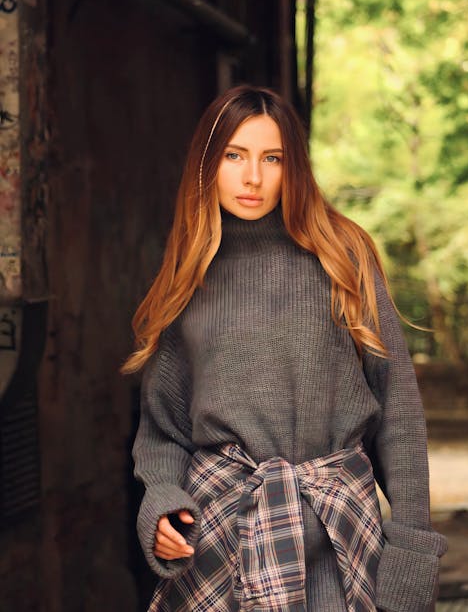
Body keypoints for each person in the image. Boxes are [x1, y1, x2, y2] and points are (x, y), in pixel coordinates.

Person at [125, 85, 447, 612]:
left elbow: (399, 415)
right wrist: (162, 504)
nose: (252, 177)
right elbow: (163, 429)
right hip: (222, 541)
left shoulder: (345, 257)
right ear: (207, 164)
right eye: (234, 156)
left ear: (292, 166)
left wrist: (411, 548)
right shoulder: (188, 276)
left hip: (340, 535)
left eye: (271, 158)